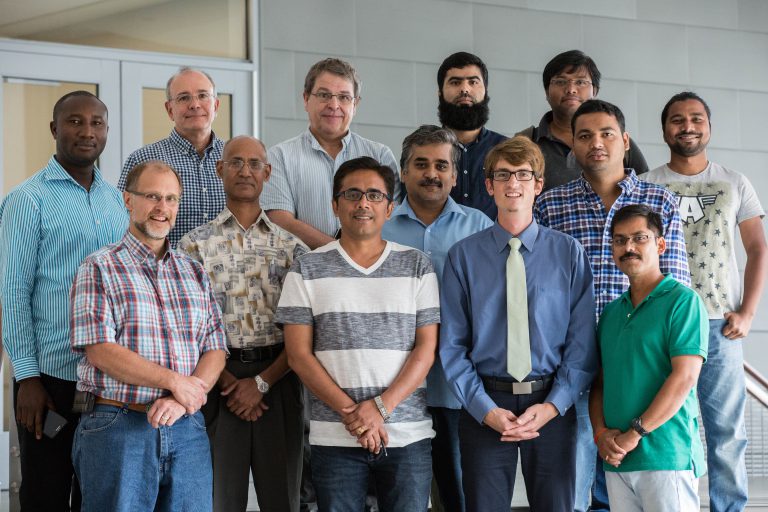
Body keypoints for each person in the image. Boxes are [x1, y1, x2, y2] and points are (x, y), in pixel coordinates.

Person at [534, 99, 690, 511]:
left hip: (641, 370)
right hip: (574, 368)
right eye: (584, 136)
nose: (596, 143)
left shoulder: (660, 203)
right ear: (572, 146)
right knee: (571, 489)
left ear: (624, 141)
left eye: (606, 134)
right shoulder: (550, 205)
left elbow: (674, 288)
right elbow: (542, 294)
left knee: (630, 489)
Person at [440, 136, 597, 511]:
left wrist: (554, 404)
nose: (514, 183)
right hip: (485, 404)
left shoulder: (568, 253)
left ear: (538, 185)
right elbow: (451, 345)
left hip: (551, 404)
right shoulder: (463, 257)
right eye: (504, 175)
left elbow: (582, 343)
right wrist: (484, 409)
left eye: (524, 175)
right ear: (489, 185)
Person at [277, 157, 439, 512]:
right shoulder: (307, 267)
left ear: (390, 207)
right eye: (352, 194)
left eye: (374, 195)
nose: (363, 203)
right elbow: (299, 356)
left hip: (407, 436)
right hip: (334, 438)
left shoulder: (416, 265)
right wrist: (356, 416)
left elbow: (426, 350)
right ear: (335, 205)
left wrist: (380, 409)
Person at [70, 160, 228, 512]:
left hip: (186, 428)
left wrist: (183, 396)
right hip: (119, 427)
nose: (163, 208)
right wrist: (175, 381)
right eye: (153, 196)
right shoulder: (98, 267)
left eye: (171, 199)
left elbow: (215, 349)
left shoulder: (194, 273)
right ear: (128, 200)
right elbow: (99, 350)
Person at [0, 90, 127, 511]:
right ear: (54, 129)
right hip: (50, 381)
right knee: (45, 493)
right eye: (74, 121)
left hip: (107, 379)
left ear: (106, 131)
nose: (86, 131)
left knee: (97, 495)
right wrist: (28, 377)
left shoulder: (116, 201)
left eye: (96, 123)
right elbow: (14, 292)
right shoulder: (27, 200)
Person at [643, 92, 767, 512]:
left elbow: (758, 249)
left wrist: (748, 312)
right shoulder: (647, 185)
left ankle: (728, 509)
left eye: (696, 118)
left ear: (709, 127)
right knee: (666, 424)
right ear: (665, 130)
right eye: (677, 119)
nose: (687, 126)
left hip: (719, 323)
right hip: (663, 322)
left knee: (726, 431)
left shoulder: (734, 182)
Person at [179, 136, 307, 511]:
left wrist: (263, 383)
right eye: (235, 162)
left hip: (280, 378)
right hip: (217, 383)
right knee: (217, 499)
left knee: (283, 498)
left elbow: (305, 332)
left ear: (267, 173)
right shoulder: (194, 246)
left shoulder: (292, 248)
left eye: (254, 164)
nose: (245, 171)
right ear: (220, 170)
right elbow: (187, 327)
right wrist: (226, 382)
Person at [382, 125, 492, 512]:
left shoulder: (480, 228)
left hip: (454, 387)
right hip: (389, 387)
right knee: (397, 495)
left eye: (442, 165)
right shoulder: (379, 226)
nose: (432, 173)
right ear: (404, 171)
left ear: (454, 173)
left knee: (457, 494)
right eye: (421, 164)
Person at [590, 204, 708, 512]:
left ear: (660, 244)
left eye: (639, 238)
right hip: (618, 460)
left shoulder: (683, 302)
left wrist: (635, 434)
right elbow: (600, 383)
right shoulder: (611, 312)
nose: (628, 247)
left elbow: (684, 378)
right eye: (619, 240)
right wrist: (601, 434)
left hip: (666, 457)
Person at [262, 58, 400, 249]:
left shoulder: (380, 155)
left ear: (355, 104)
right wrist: (342, 254)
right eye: (324, 95)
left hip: (371, 273)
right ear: (306, 99)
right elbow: (281, 221)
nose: (334, 105)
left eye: (344, 97)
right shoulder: (279, 157)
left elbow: (392, 218)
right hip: (305, 272)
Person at [119, 66, 225, 247]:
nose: (195, 104)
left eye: (203, 95)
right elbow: (121, 224)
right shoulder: (143, 160)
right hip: (162, 273)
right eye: (184, 98)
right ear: (169, 110)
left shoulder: (234, 161)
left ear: (215, 105)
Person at [518, 50, 648, 192]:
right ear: (547, 92)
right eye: (561, 82)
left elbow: (643, 191)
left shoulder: (618, 143)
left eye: (580, 82)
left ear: (595, 91)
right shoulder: (526, 141)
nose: (571, 89)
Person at [437, 52, 507, 219]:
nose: (464, 89)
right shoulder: (422, 150)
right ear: (439, 93)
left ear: (486, 90)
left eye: (473, 82)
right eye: (455, 82)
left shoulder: (507, 150)